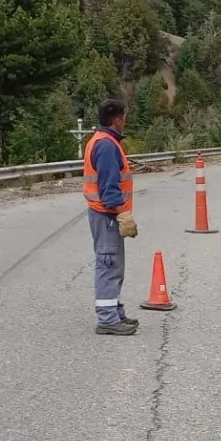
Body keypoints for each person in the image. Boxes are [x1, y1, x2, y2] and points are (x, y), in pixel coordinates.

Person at [83, 98, 139, 335]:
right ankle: (107, 319)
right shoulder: (106, 146)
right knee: (108, 264)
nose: (125, 121)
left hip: (104, 215)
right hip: (106, 216)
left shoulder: (103, 141)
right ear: (117, 120)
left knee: (114, 265)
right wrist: (123, 215)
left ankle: (114, 312)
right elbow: (109, 188)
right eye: (124, 117)